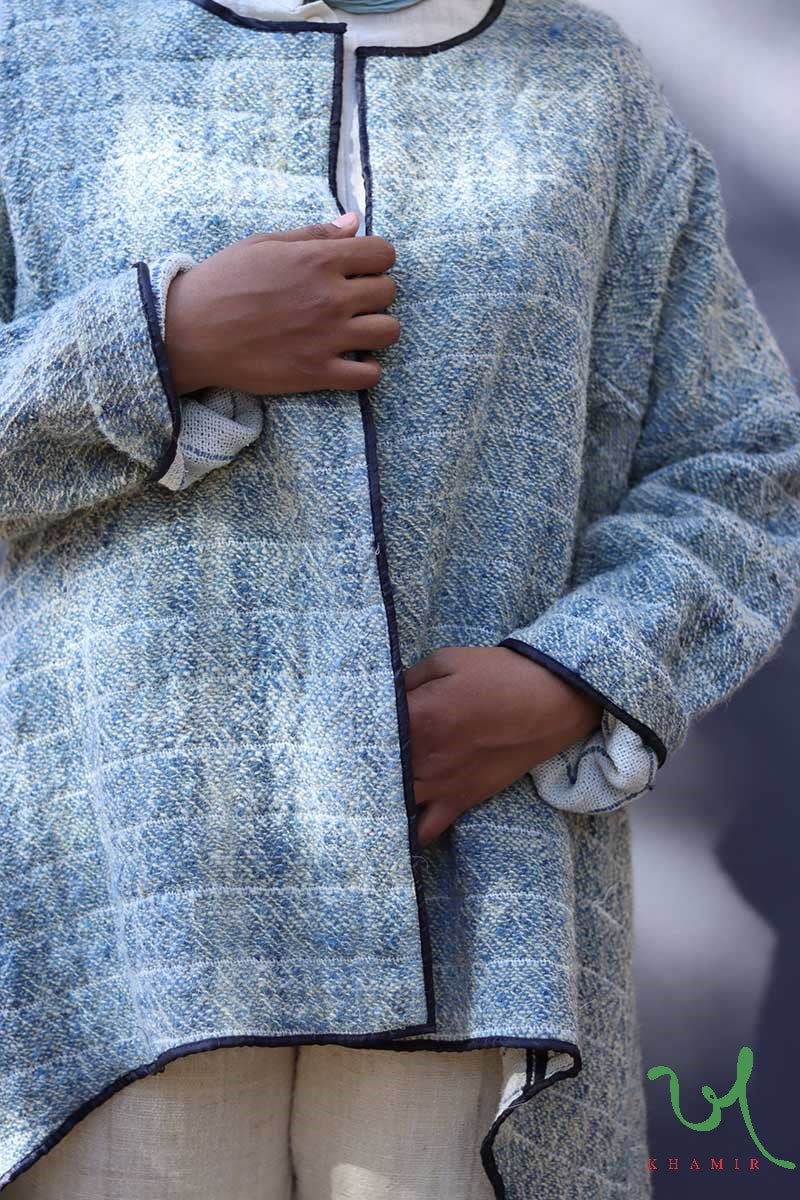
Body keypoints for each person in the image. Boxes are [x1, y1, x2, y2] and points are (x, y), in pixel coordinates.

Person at [1, 0, 799, 1197]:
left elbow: (746, 463)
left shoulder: (585, 83)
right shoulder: (41, 45)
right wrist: (157, 342)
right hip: (126, 915)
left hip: (482, 907)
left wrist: (571, 678)